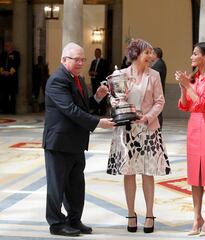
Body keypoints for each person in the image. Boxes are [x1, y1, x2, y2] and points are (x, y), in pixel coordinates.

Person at [42, 42, 114, 237]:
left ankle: (74, 219)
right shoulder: (57, 80)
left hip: (75, 143)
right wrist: (99, 123)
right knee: (57, 187)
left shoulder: (79, 79)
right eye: (77, 59)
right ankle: (57, 223)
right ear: (64, 59)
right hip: (58, 143)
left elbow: (82, 108)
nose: (81, 63)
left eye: (83, 59)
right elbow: (70, 110)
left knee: (76, 186)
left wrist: (97, 98)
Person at [106, 38, 170, 234]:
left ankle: (150, 215)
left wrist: (148, 117)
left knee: (148, 172)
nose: (151, 57)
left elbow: (160, 101)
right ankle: (131, 213)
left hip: (148, 129)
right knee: (129, 172)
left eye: (151, 53)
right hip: (127, 129)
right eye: (147, 53)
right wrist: (114, 101)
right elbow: (113, 95)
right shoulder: (121, 74)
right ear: (136, 55)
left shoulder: (155, 75)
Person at [175, 42, 205, 237]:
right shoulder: (193, 78)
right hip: (193, 127)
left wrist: (188, 86)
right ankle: (197, 217)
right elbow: (184, 105)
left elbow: (204, 103)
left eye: (195, 54)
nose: (191, 57)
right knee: (195, 176)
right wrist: (182, 88)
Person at [0, 41, 20, 114]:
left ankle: (12, 110)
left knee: (12, 94)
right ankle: (5, 110)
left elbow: (16, 64)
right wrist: (2, 71)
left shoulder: (16, 54)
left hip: (12, 78)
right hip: (3, 77)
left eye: (7, 45)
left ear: (11, 46)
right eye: (5, 45)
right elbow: (1, 63)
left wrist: (9, 72)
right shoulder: (3, 54)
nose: (6, 47)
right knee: (4, 94)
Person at [88, 48, 109, 115]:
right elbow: (90, 70)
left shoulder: (104, 61)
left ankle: (102, 111)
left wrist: (97, 73)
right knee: (95, 96)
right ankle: (96, 110)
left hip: (100, 81)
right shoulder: (93, 62)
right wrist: (91, 73)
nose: (96, 54)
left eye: (97, 53)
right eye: (95, 53)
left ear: (100, 53)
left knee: (102, 96)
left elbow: (106, 71)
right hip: (94, 81)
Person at [151, 47, 167, 129]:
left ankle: (158, 128)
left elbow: (152, 74)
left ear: (155, 55)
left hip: (158, 92)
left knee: (158, 111)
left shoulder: (159, 64)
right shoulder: (158, 63)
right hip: (156, 91)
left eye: (151, 53)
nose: (150, 56)